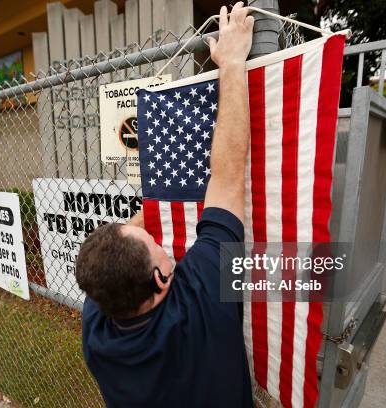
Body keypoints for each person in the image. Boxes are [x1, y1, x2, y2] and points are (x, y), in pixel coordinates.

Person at [76, 3, 254, 407]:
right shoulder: (201, 297)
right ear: (159, 280)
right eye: (160, 248)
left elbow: (116, 254)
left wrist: (141, 223)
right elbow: (226, 176)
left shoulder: (98, 328)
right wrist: (231, 63)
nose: (166, 245)